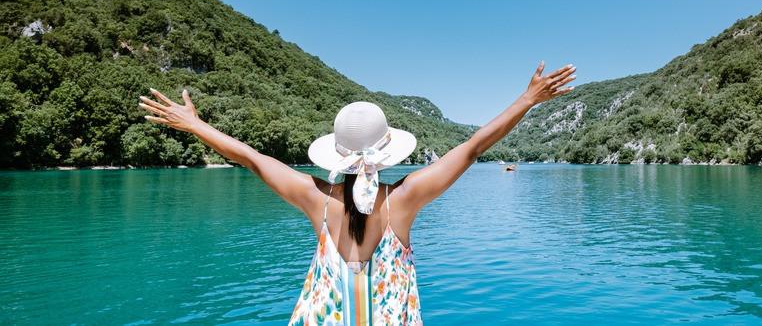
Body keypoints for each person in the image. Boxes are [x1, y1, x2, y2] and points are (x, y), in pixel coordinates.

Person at [138, 62, 576, 325]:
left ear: (338, 155)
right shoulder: (403, 201)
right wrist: (527, 99)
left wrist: (195, 124)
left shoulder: (317, 199)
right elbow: (473, 147)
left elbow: (252, 158)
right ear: (387, 153)